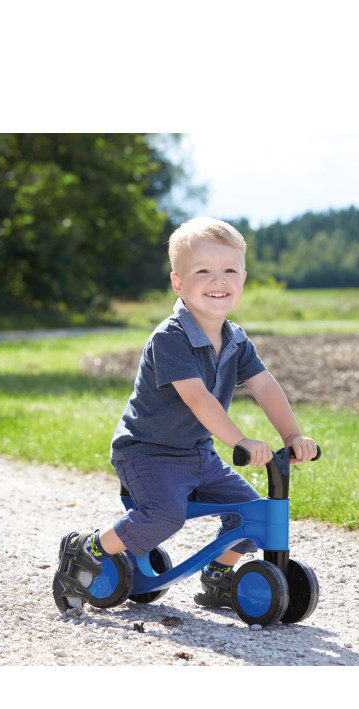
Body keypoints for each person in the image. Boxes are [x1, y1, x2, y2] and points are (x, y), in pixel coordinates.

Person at [53, 217, 317, 613]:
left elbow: (264, 386)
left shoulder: (236, 339)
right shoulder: (171, 337)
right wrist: (241, 442)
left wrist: (292, 435)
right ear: (178, 283)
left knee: (251, 516)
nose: (218, 280)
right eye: (203, 271)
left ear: (243, 280)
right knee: (164, 515)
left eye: (229, 270)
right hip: (147, 453)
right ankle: (87, 551)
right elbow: (197, 399)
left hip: (197, 454)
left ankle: (217, 578)